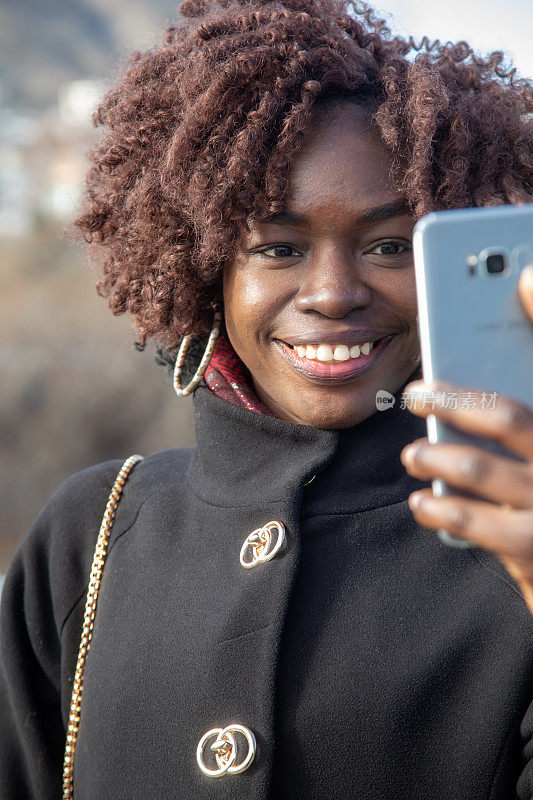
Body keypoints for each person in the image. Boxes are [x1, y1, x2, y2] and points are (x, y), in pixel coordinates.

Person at [1, 0, 533, 797]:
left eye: (390, 245)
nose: (331, 294)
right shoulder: (92, 534)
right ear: (204, 267)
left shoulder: (513, 533)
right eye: (277, 248)